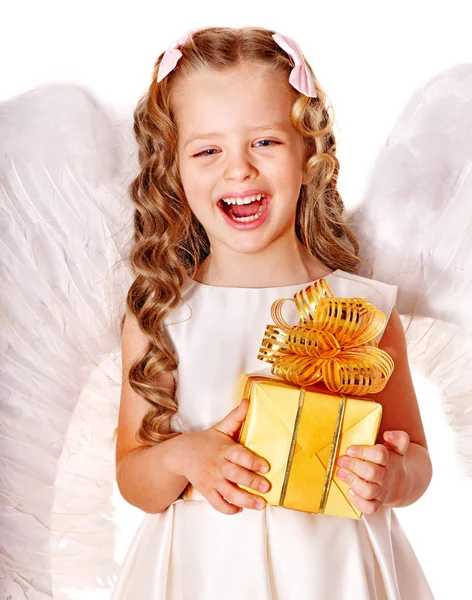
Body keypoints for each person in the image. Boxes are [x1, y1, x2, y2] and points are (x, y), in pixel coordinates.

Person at [112, 26, 434, 599]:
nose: (238, 170)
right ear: (174, 172)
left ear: (309, 154)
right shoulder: (161, 316)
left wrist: (393, 477)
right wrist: (185, 455)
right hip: (205, 577)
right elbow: (135, 480)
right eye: (208, 150)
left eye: (264, 142)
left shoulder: (363, 311)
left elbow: (417, 460)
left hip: (334, 576)